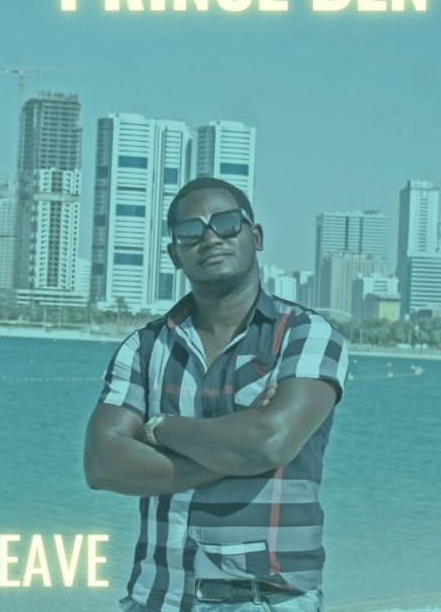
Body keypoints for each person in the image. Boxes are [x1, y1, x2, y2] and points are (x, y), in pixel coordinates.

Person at [85, 177, 349, 612]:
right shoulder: (145, 348)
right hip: (156, 598)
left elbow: (269, 441)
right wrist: (237, 454)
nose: (210, 238)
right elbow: (101, 464)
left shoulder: (304, 335)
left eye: (225, 223)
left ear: (255, 236)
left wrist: (158, 428)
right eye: (190, 231)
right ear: (175, 254)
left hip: (264, 600)